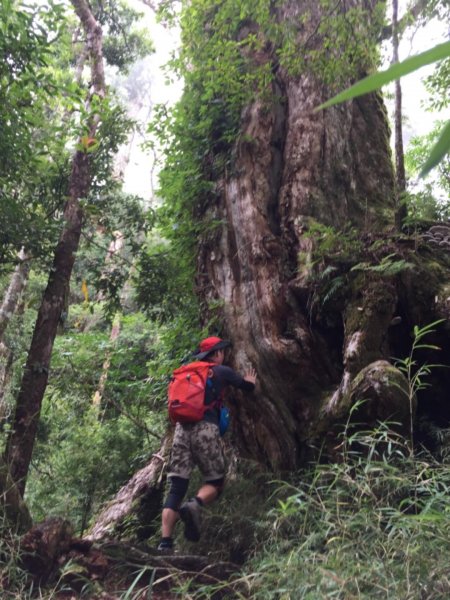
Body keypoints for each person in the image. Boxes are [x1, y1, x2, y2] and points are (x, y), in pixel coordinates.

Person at [158, 336, 257, 552]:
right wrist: (251, 380)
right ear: (217, 353)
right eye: (221, 352)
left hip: (181, 431)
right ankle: (196, 504)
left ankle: (165, 542)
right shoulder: (221, 371)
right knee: (215, 481)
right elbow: (246, 387)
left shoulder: (185, 371)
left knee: (176, 487)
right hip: (205, 429)